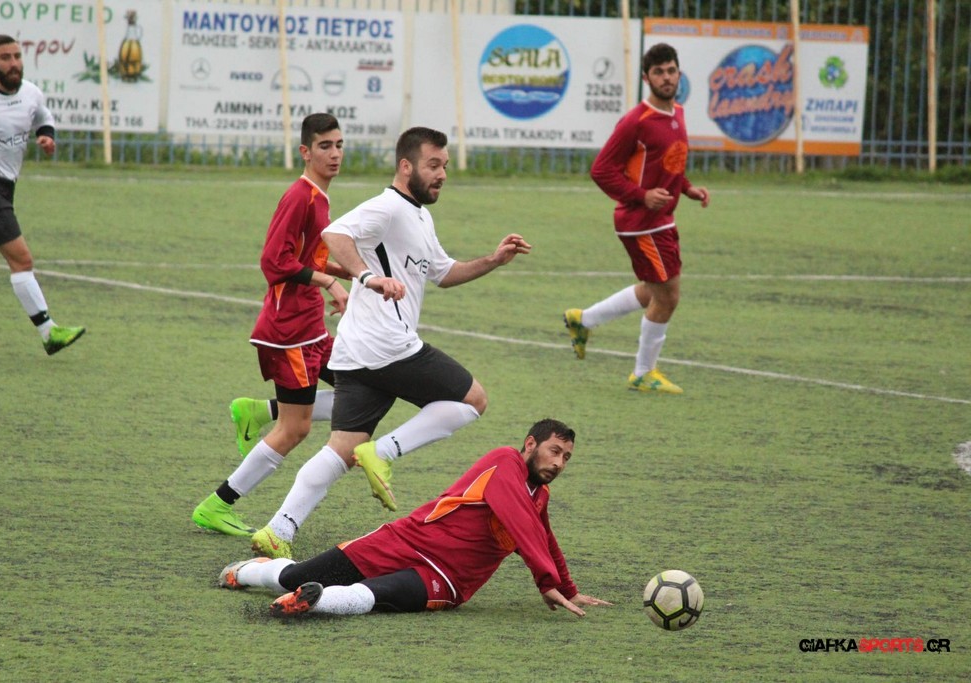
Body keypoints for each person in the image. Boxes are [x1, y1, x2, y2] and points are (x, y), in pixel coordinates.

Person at [249, 126, 532, 559]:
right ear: (405, 166)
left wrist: (493, 260)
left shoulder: (419, 216)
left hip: (357, 351)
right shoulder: (388, 206)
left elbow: (443, 274)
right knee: (473, 400)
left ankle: (277, 529)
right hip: (387, 344)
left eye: (444, 166)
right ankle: (382, 452)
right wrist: (367, 277)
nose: (441, 174)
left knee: (342, 448)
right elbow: (335, 235)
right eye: (433, 165)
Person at [220, 419, 612, 618]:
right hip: (402, 541)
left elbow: (544, 538)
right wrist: (546, 580)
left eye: (566, 457)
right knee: (293, 575)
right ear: (530, 444)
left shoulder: (539, 496)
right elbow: (518, 520)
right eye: (555, 451)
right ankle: (249, 572)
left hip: (446, 578)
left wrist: (567, 586)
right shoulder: (504, 461)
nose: (559, 463)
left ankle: (312, 602)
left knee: (373, 595)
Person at [191, 113, 349, 536]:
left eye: (338, 145)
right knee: (295, 429)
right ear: (305, 152)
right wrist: (330, 282)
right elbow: (274, 262)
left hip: (312, 326)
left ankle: (259, 411)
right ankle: (216, 505)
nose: (334, 154)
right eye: (325, 146)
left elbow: (308, 259)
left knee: (362, 387)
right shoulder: (300, 196)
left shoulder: (320, 197)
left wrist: (358, 275)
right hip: (289, 331)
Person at [564, 42, 710, 394]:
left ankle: (583, 320)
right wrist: (641, 196)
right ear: (647, 78)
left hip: (663, 220)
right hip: (641, 223)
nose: (666, 77)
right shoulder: (636, 121)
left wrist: (686, 188)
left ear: (679, 73)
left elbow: (668, 163)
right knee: (668, 296)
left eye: (671, 71)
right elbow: (601, 170)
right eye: (658, 72)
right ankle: (643, 372)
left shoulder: (678, 113)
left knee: (654, 289)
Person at [0, 35, 85, 355]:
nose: (13, 64)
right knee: (22, 260)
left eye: (17, 56)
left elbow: (42, 117)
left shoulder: (31, 93)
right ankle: (49, 332)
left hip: (5, 189)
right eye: (5, 58)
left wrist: (46, 136)